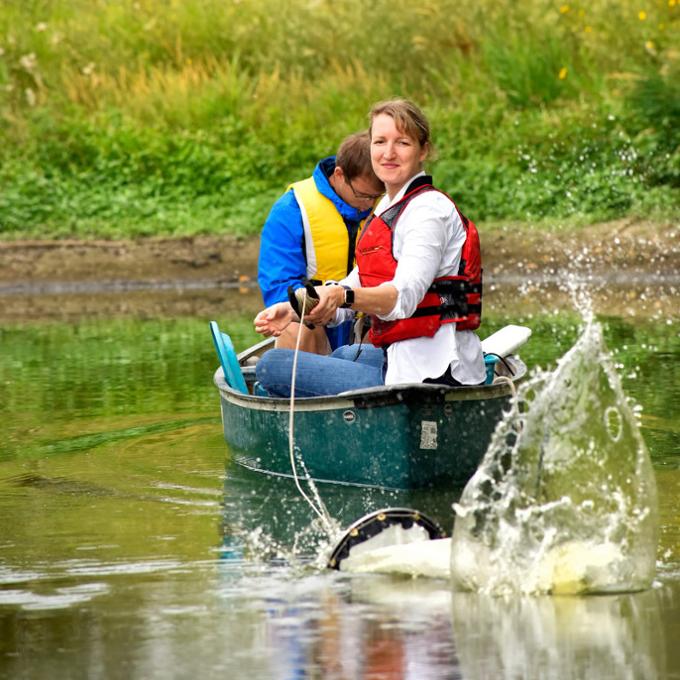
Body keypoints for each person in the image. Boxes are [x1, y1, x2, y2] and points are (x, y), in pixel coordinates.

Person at [254, 98, 486, 396]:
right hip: (404, 359)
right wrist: (294, 310)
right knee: (341, 356)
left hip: (433, 374)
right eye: (380, 142)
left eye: (402, 143)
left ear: (423, 150)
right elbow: (352, 288)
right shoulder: (391, 207)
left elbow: (404, 297)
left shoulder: (428, 211)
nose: (388, 153)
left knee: (271, 366)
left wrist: (341, 295)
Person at [257, 131, 384, 354]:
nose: (369, 205)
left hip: (367, 325)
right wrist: (318, 305)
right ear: (339, 174)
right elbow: (279, 284)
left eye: (376, 196)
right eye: (363, 195)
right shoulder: (291, 209)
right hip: (316, 328)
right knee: (298, 326)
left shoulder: (388, 208)